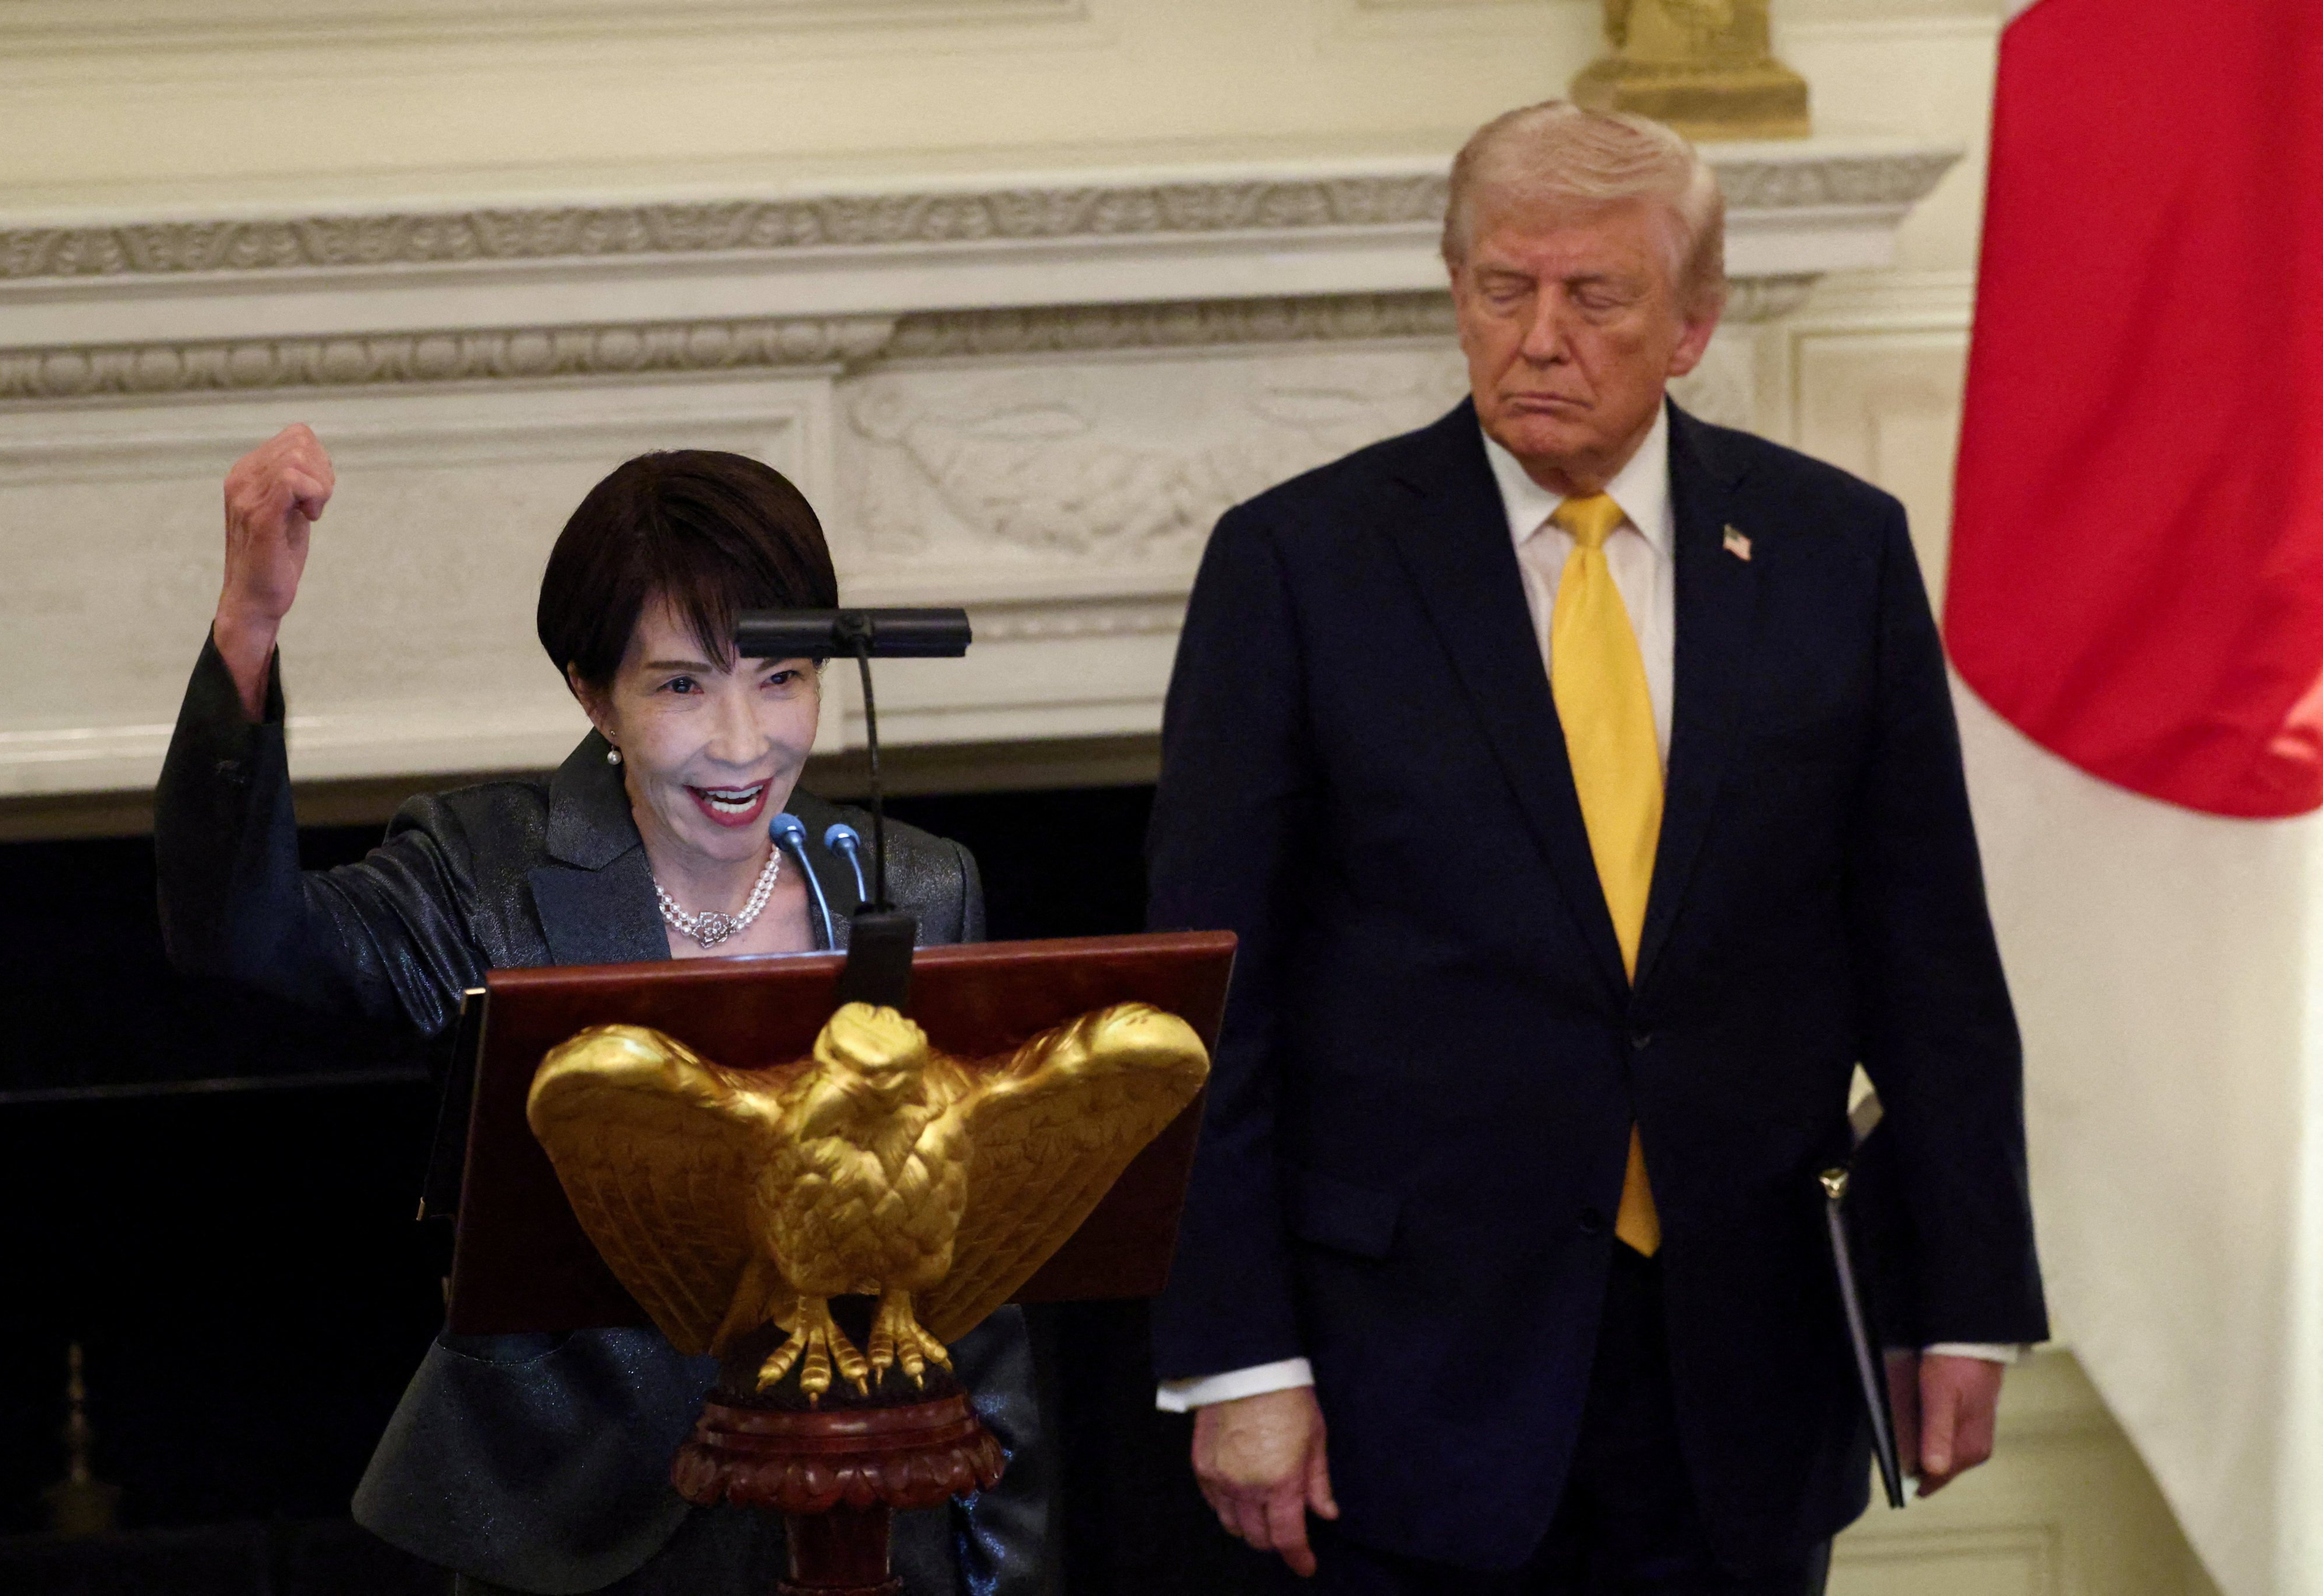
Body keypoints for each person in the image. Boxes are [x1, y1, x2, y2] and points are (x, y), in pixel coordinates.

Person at [1145, 102, 2048, 1595]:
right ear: (1456, 295)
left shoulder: (1837, 553)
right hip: (1404, 1377)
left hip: (1742, 1366)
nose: (1538, 336)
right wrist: (1235, 1353)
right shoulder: (1297, 568)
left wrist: (1961, 1300)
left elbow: (1927, 954)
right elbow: (1206, 1006)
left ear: (1690, 326)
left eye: (1594, 296)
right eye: (1503, 289)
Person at [154, 427, 1049, 1596]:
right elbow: (242, 936)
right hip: (577, 1533)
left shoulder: (920, 885)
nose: (743, 745)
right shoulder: (484, 871)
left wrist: (1007, 1569)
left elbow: (978, 1290)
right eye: (682, 684)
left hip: (871, 1533)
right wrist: (249, 628)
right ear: (593, 694)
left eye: (780, 679)